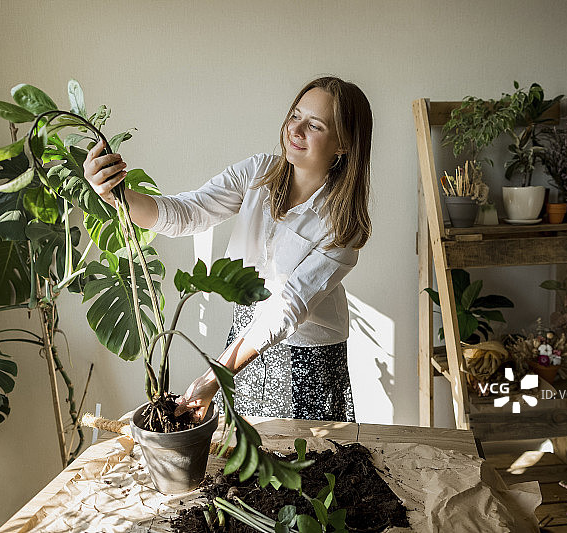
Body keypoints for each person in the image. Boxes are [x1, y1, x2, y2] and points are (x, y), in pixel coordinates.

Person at [84, 76, 372, 423]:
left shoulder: (342, 225)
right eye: (295, 116)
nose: (296, 131)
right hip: (246, 337)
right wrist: (115, 194)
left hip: (309, 353)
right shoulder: (258, 173)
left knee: (307, 459)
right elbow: (189, 212)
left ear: (342, 144)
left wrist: (214, 376)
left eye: (315, 125)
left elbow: (288, 307)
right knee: (246, 447)